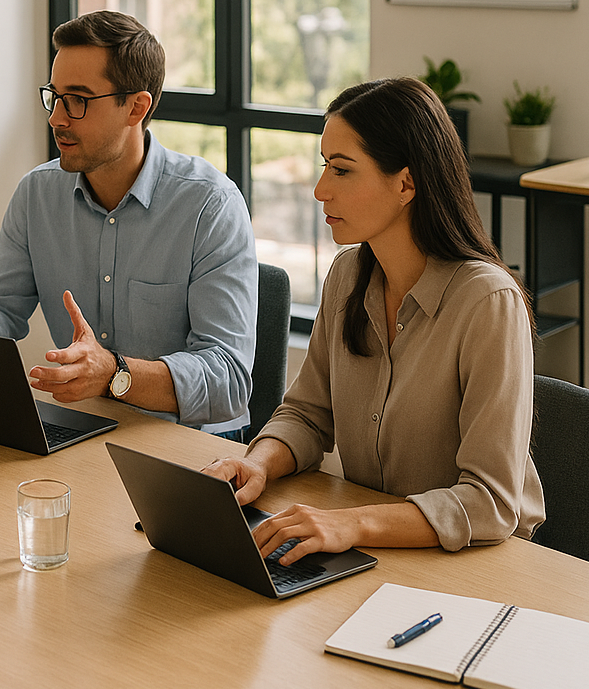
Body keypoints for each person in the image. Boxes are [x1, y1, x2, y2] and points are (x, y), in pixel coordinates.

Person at [203, 77, 545, 566]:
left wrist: (351, 522)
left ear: (405, 183)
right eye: (325, 166)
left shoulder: (487, 302)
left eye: (342, 171)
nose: (320, 190)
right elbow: (307, 414)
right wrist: (254, 463)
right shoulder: (348, 276)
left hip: (477, 565)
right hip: (380, 550)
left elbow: (489, 501)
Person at [0, 10, 257, 437]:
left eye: (77, 100)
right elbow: (3, 316)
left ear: (136, 107)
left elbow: (228, 380)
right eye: (53, 96)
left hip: (194, 446)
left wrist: (114, 373)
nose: (57, 118)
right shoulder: (37, 194)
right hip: (87, 429)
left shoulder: (211, 206)